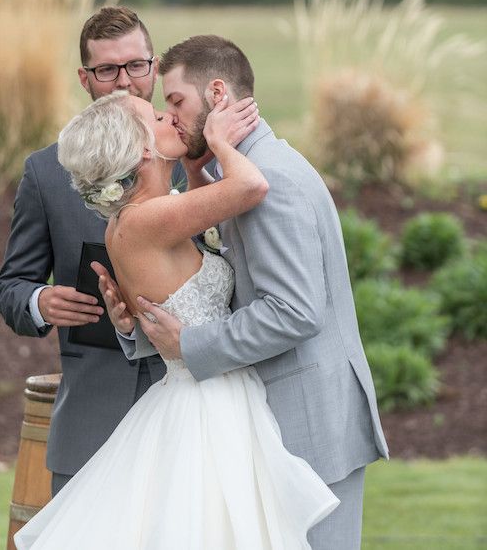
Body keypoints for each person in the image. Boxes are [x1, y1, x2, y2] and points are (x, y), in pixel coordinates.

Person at [14, 89, 339, 550]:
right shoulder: (149, 220)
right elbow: (251, 187)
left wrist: (191, 169)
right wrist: (221, 142)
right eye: (157, 116)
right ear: (143, 147)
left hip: (202, 390)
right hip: (210, 405)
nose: (170, 117)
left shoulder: (135, 220)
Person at [102, 35, 389, 550]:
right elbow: (218, 297)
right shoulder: (228, 175)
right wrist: (140, 327)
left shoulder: (271, 183)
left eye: (176, 102)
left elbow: (295, 313)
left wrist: (190, 345)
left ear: (217, 94)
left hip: (309, 426)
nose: (170, 117)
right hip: (260, 422)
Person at [0, 6, 175, 495]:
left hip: (188, 417)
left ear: (154, 67)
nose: (125, 82)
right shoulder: (46, 172)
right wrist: (40, 302)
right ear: (85, 78)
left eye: (136, 65)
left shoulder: (196, 160)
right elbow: (11, 288)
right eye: (107, 70)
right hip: (90, 424)